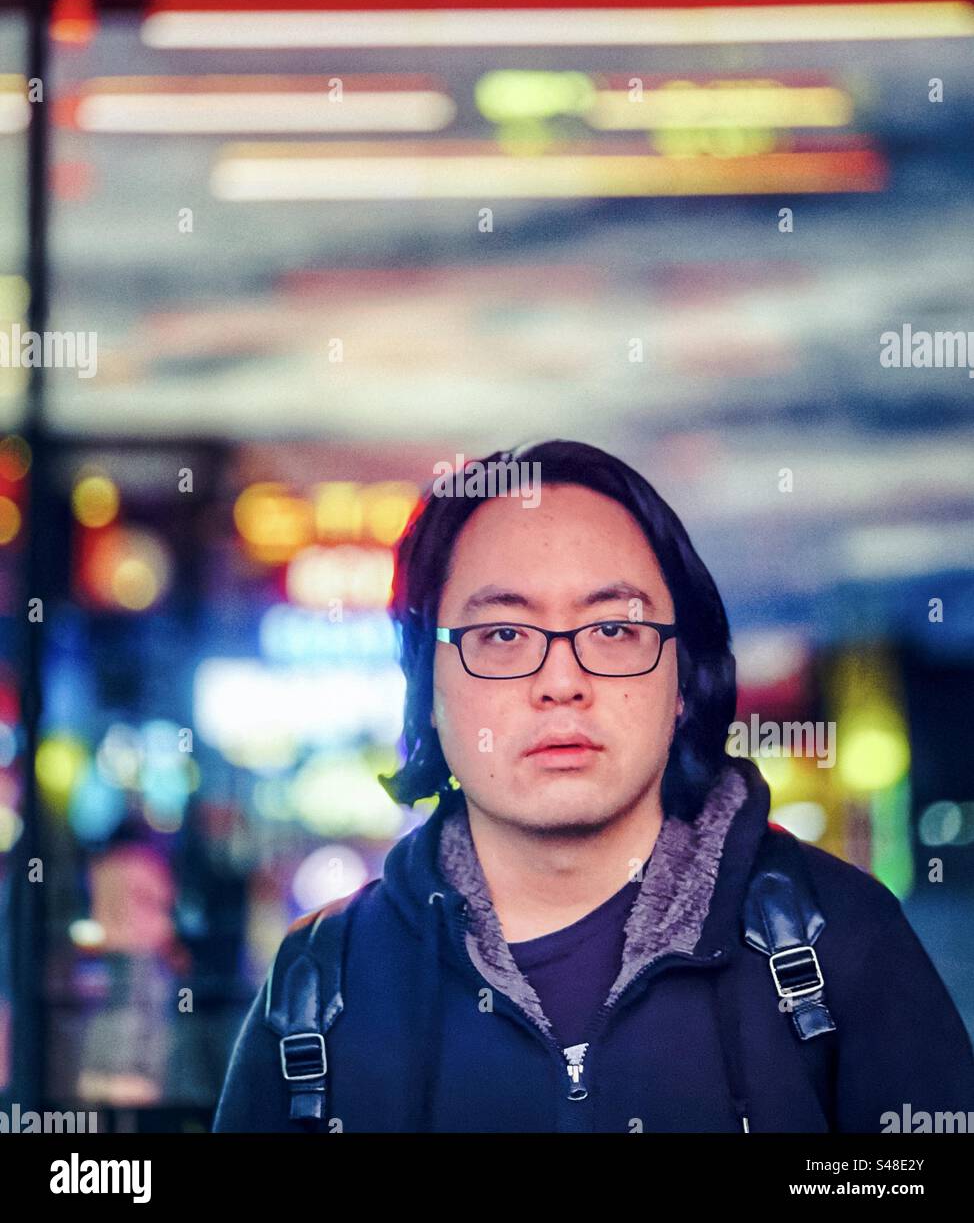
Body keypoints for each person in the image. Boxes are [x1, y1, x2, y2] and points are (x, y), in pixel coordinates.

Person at [213, 439, 974, 1133]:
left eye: (614, 630)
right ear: (426, 688)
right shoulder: (321, 984)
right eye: (503, 636)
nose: (561, 681)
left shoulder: (834, 936)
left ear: (685, 680)